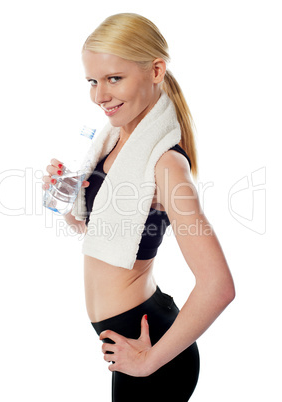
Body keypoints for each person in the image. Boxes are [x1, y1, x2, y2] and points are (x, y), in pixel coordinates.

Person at [42, 13, 235, 402]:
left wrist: (149, 362)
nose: (100, 95)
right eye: (93, 81)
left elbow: (218, 286)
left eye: (114, 79)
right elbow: (109, 237)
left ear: (156, 70)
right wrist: (66, 203)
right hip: (129, 346)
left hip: (152, 350)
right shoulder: (112, 143)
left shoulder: (165, 164)